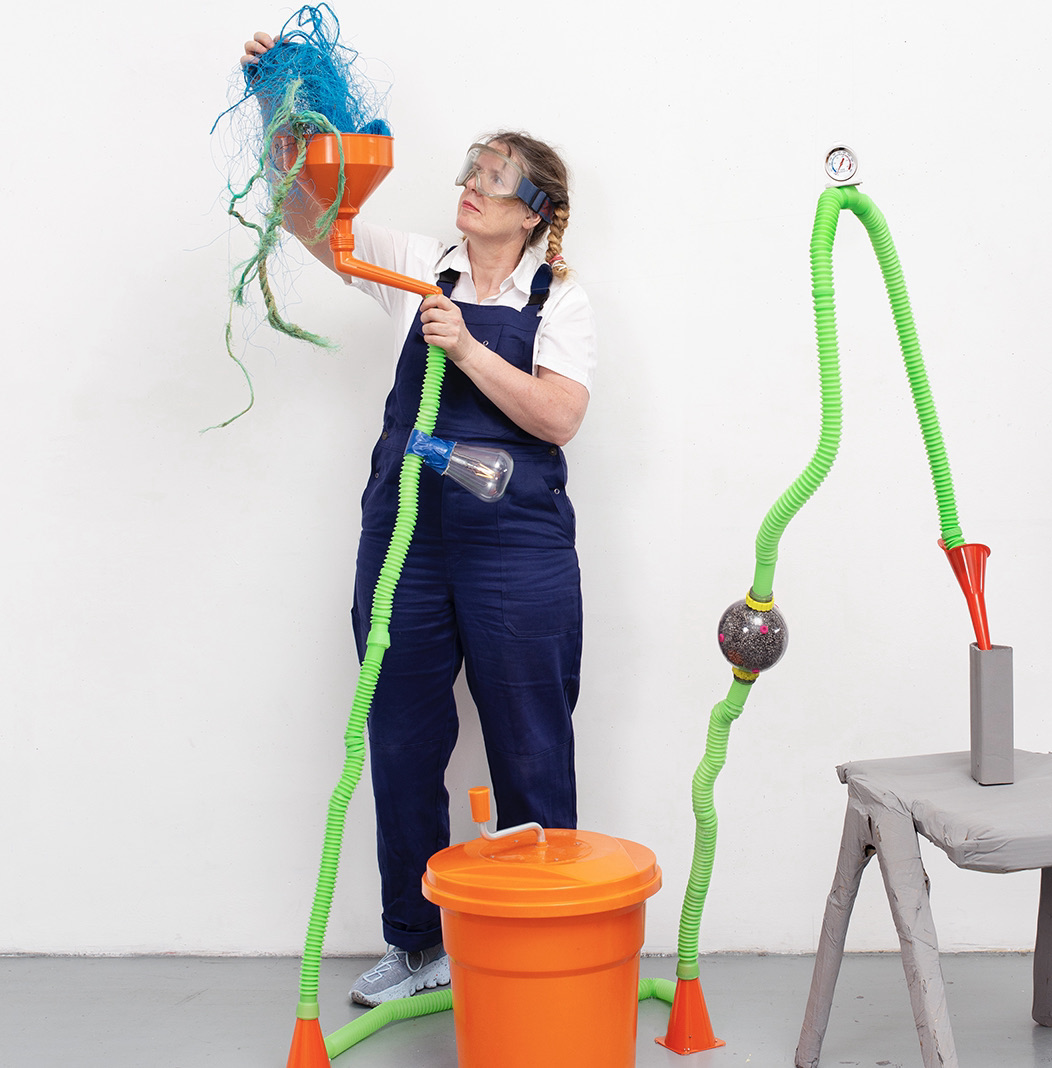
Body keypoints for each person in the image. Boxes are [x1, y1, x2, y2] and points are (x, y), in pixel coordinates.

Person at [242, 33, 597, 1006]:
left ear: (535, 210)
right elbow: (312, 224)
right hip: (406, 537)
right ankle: (417, 944)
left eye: (493, 177)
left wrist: (471, 352)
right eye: (470, 170)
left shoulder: (559, 300)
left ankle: (542, 943)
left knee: (530, 740)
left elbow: (559, 416)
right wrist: (281, 106)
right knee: (399, 736)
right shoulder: (417, 264)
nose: (470, 186)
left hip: (516, 546)